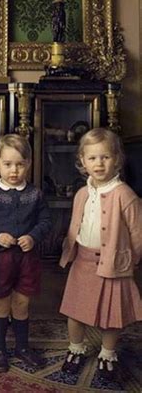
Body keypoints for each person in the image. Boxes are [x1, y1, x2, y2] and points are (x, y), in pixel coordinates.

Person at [59, 128, 141, 381]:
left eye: (105, 157)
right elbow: (76, 225)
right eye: (92, 158)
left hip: (114, 265)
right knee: (75, 310)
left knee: (111, 315)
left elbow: (138, 233)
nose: (99, 163)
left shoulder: (125, 194)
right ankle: (76, 348)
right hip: (82, 260)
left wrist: (131, 261)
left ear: (116, 159)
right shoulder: (82, 193)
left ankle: (108, 353)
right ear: (82, 161)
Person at [0, 134, 51, 373]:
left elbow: (46, 220)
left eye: (19, 164)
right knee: (1, 302)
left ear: (28, 163)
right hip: (1, 259)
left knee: (22, 302)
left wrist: (33, 236)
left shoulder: (35, 194)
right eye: (7, 164)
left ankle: (22, 347)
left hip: (27, 259)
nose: (14, 170)